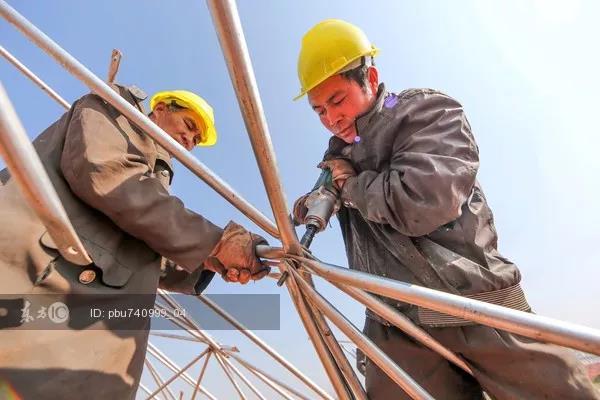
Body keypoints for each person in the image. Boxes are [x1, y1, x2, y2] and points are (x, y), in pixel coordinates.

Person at [292, 19, 598, 399]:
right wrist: (300, 211)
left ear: (369, 77)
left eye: (337, 101)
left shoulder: (425, 112)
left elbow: (421, 202)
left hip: (473, 300)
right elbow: (316, 204)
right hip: (396, 327)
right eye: (319, 110)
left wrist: (350, 186)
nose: (330, 119)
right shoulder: (338, 158)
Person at [0, 85, 269, 399]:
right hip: (33, 283)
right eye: (189, 125)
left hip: (82, 330)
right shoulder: (114, 107)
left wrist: (211, 262)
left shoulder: (152, 176)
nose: (190, 139)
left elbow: (139, 248)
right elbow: (107, 175)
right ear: (161, 109)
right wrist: (214, 242)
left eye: (196, 139)